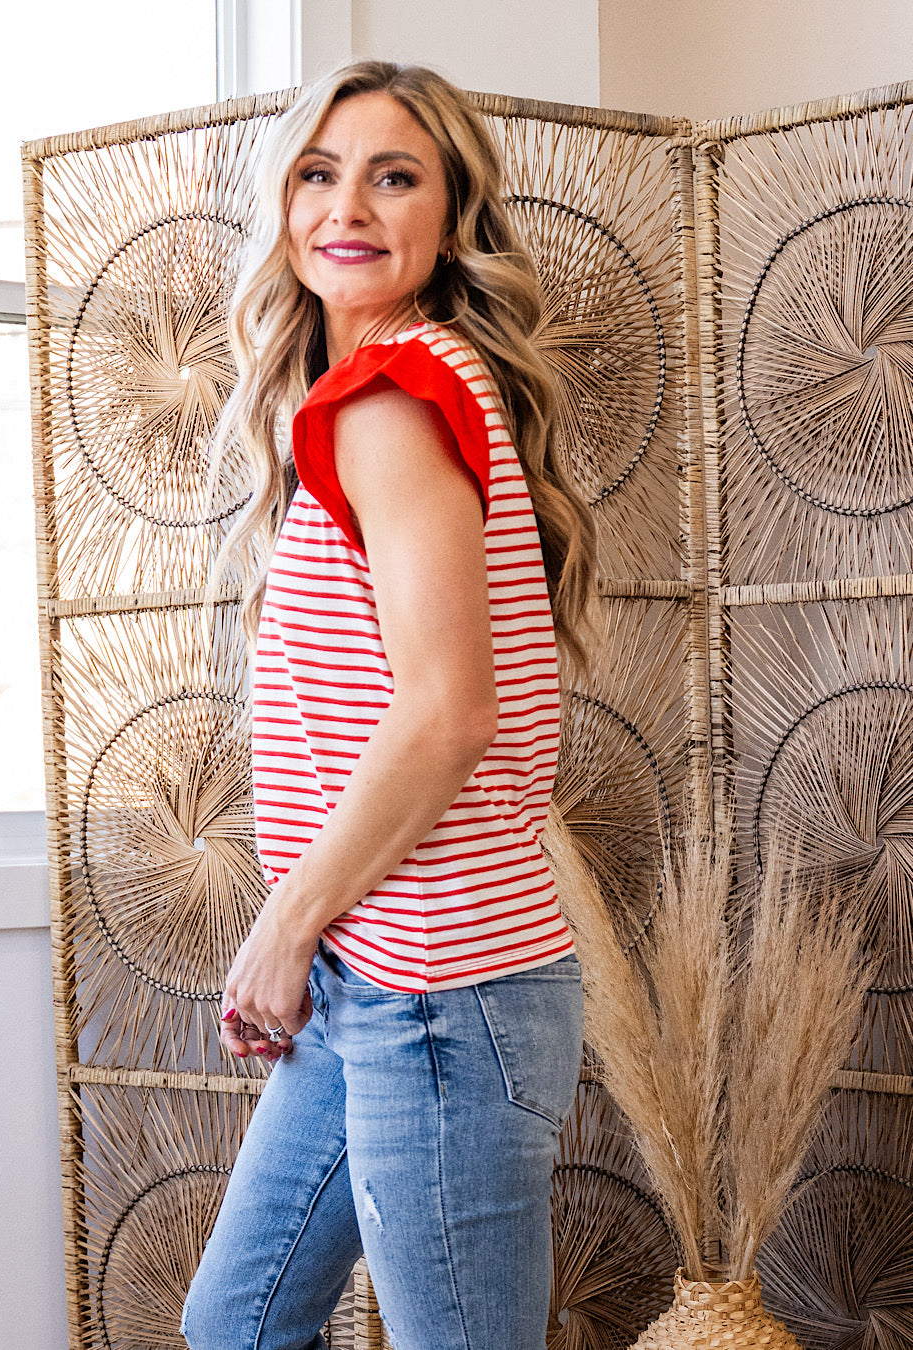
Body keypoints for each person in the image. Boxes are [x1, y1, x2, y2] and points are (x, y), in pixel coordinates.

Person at [180, 59, 596, 1350]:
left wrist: (283, 925)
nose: (346, 206)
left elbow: (447, 713)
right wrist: (313, 937)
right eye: (318, 172)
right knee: (236, 1324)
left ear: (452, 216)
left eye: (394, 176)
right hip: (379, 972)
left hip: (439, 991)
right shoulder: (392, 388)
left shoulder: (392, 397)